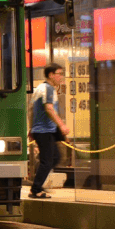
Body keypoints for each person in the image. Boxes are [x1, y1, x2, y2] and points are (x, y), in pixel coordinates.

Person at [28, 63, 70, 199]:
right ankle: (36, 189)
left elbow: (32, 111)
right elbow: (49, 109)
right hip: (44, 131)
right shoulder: (48, 89)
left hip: (45, 130)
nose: (61, 77)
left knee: (55, 157)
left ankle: (38, 182)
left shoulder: (41, 88)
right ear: (51, 75)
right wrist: (62, 125)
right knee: (48, 160)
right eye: (59, 73)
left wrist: (31, 129)